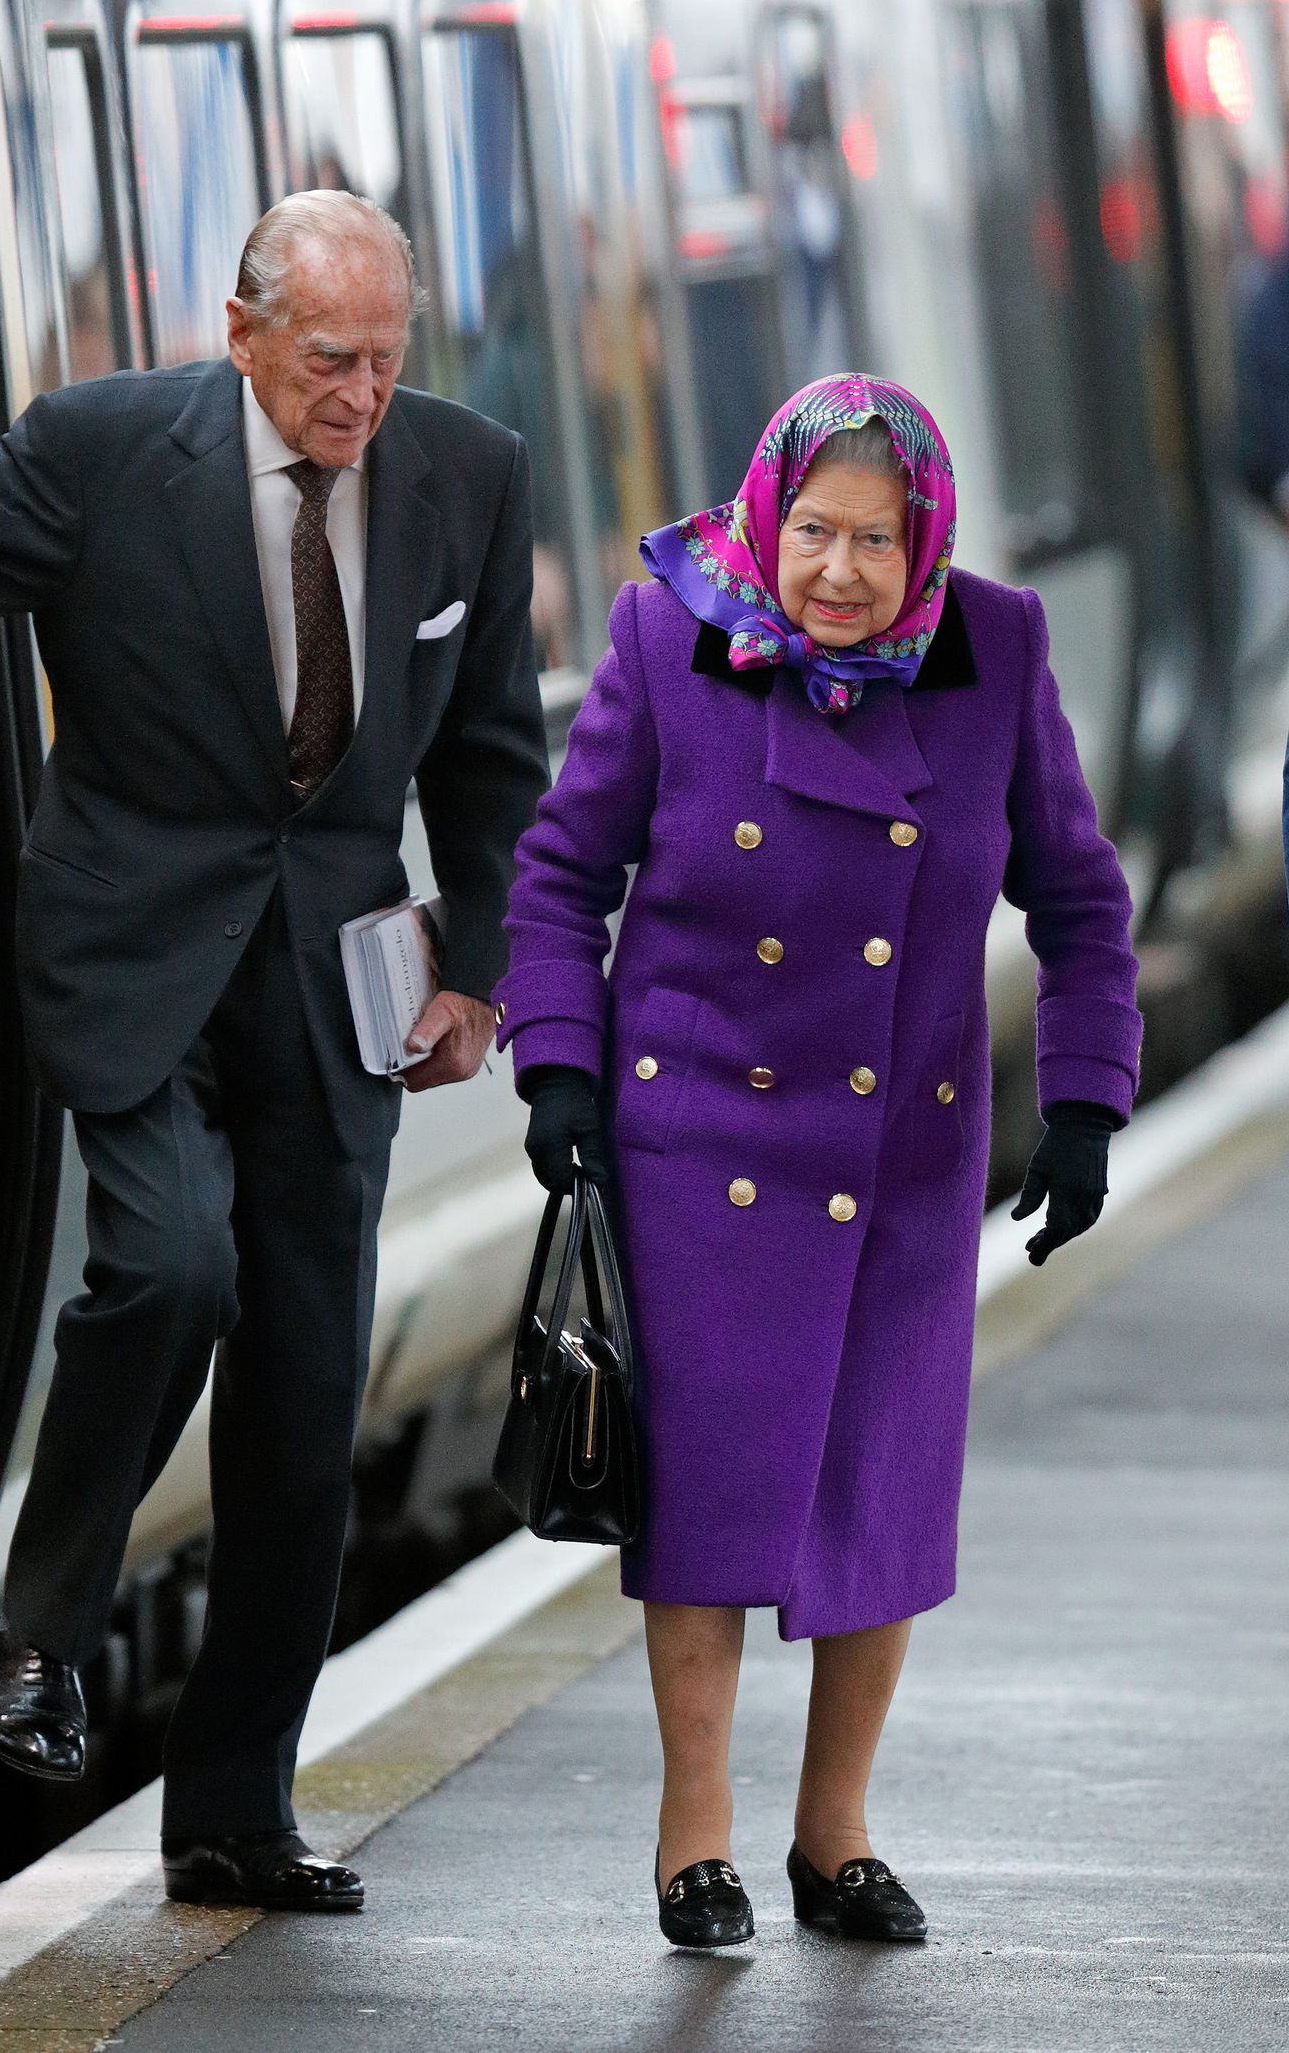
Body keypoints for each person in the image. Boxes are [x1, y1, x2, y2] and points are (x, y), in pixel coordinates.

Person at [0, 190, 547, 1913]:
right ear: (241, 331)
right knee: (167, 1264)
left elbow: (496, 757)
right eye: (327, 360)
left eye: (386, 356)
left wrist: (484, 973)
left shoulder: (470, 474)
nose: (362, 395)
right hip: (134, 959)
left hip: (337, 994)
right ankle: (41, 1638)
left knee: (303, 1404)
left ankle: (232, 1810)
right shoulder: (97, 449)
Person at [493, 373, 1139, 1948]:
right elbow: (562, 873)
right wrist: (559, 1067)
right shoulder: (668, 634)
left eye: (876, 539)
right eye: (814, 534)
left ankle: (833, 1835)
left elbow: (1080, 897)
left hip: (901, 1154)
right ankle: (693, 1839)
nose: (839, 573)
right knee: (704, 1505)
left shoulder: (996, 648)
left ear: (925, 543)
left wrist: (1086, 1096)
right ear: (764, 518)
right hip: (699, 1130)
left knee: (881, 1498)